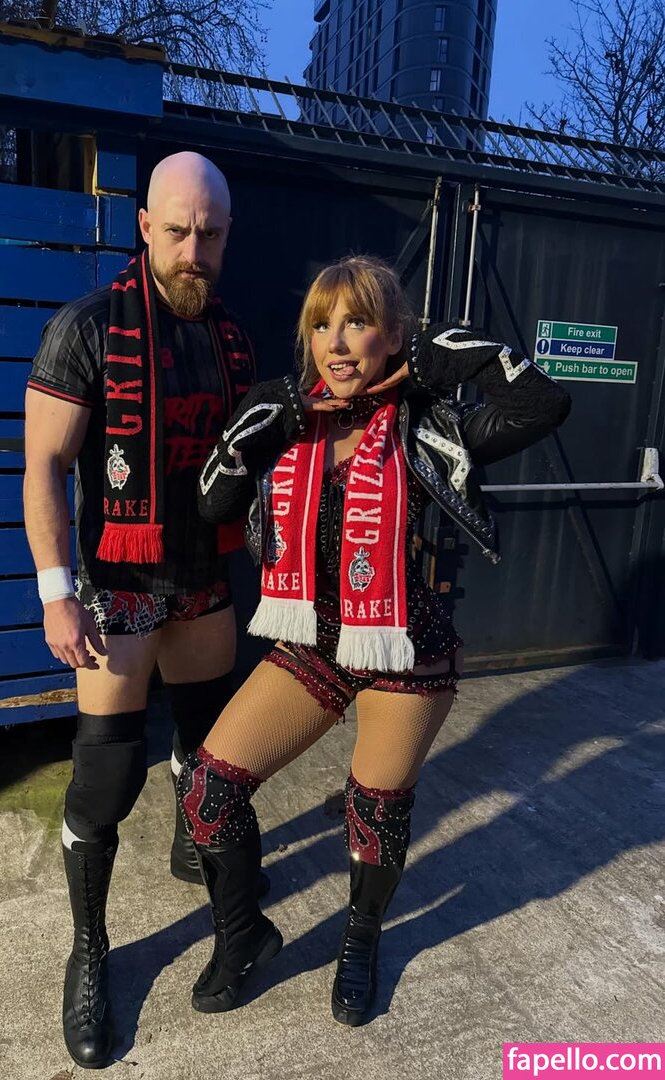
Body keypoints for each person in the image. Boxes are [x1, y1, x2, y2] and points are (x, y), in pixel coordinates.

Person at [176, 255, 571, 1025]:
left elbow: (542, 404)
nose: (336, 341)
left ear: (391, 335)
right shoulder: (292, 421)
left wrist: (440, 352)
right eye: (321, 324)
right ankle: (243, 934)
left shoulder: (428, 425)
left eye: (357, 322)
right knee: (208, 792)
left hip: (405, 650)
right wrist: (254, 426)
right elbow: (212, 503)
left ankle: (361, 937)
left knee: (374, 810)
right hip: (315, 643)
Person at [23, 151, 260, 1068]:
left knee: (207, 754)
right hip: (116, 591)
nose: (194, 252)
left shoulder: (234, 340)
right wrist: (55, 594)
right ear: (145, 228)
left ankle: (194, 846)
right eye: (179, 232)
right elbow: (44, 467)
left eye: (211, 235)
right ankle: (90, 950)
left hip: (204, 585)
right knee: (104, 784)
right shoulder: (86, 328)